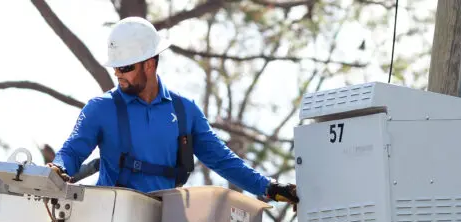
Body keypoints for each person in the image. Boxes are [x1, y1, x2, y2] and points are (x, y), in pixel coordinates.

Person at [48, 17, 298, 209]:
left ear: (149, 63)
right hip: (111, 219)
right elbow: (72, 150)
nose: (118, 74)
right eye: (116, 68)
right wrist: (58, 168)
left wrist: (270, 188)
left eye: (125, 67)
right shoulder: (101, 108)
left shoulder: (185, 111)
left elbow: (222, 160)